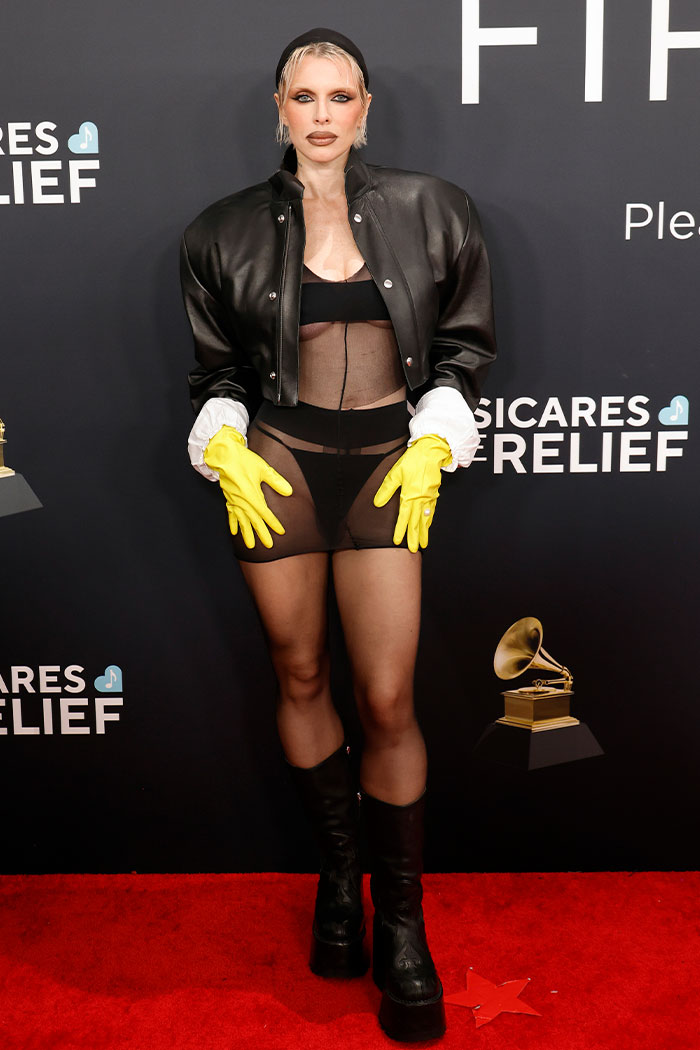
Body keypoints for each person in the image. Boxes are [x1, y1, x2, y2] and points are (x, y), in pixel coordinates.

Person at [180, 27, 496, 1043]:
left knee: (388, 692)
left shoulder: (432, 208)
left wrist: (436, 437)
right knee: (300, 672)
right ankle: (339, 886)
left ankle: (401, 924)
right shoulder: (219, 231)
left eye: (339, 96)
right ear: (280, 108)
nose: (321, 115)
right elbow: (220, 372)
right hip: (277, 465)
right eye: (303, 97)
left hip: (383, 468)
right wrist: (221, 435)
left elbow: (460, 346)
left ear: (366, 109)